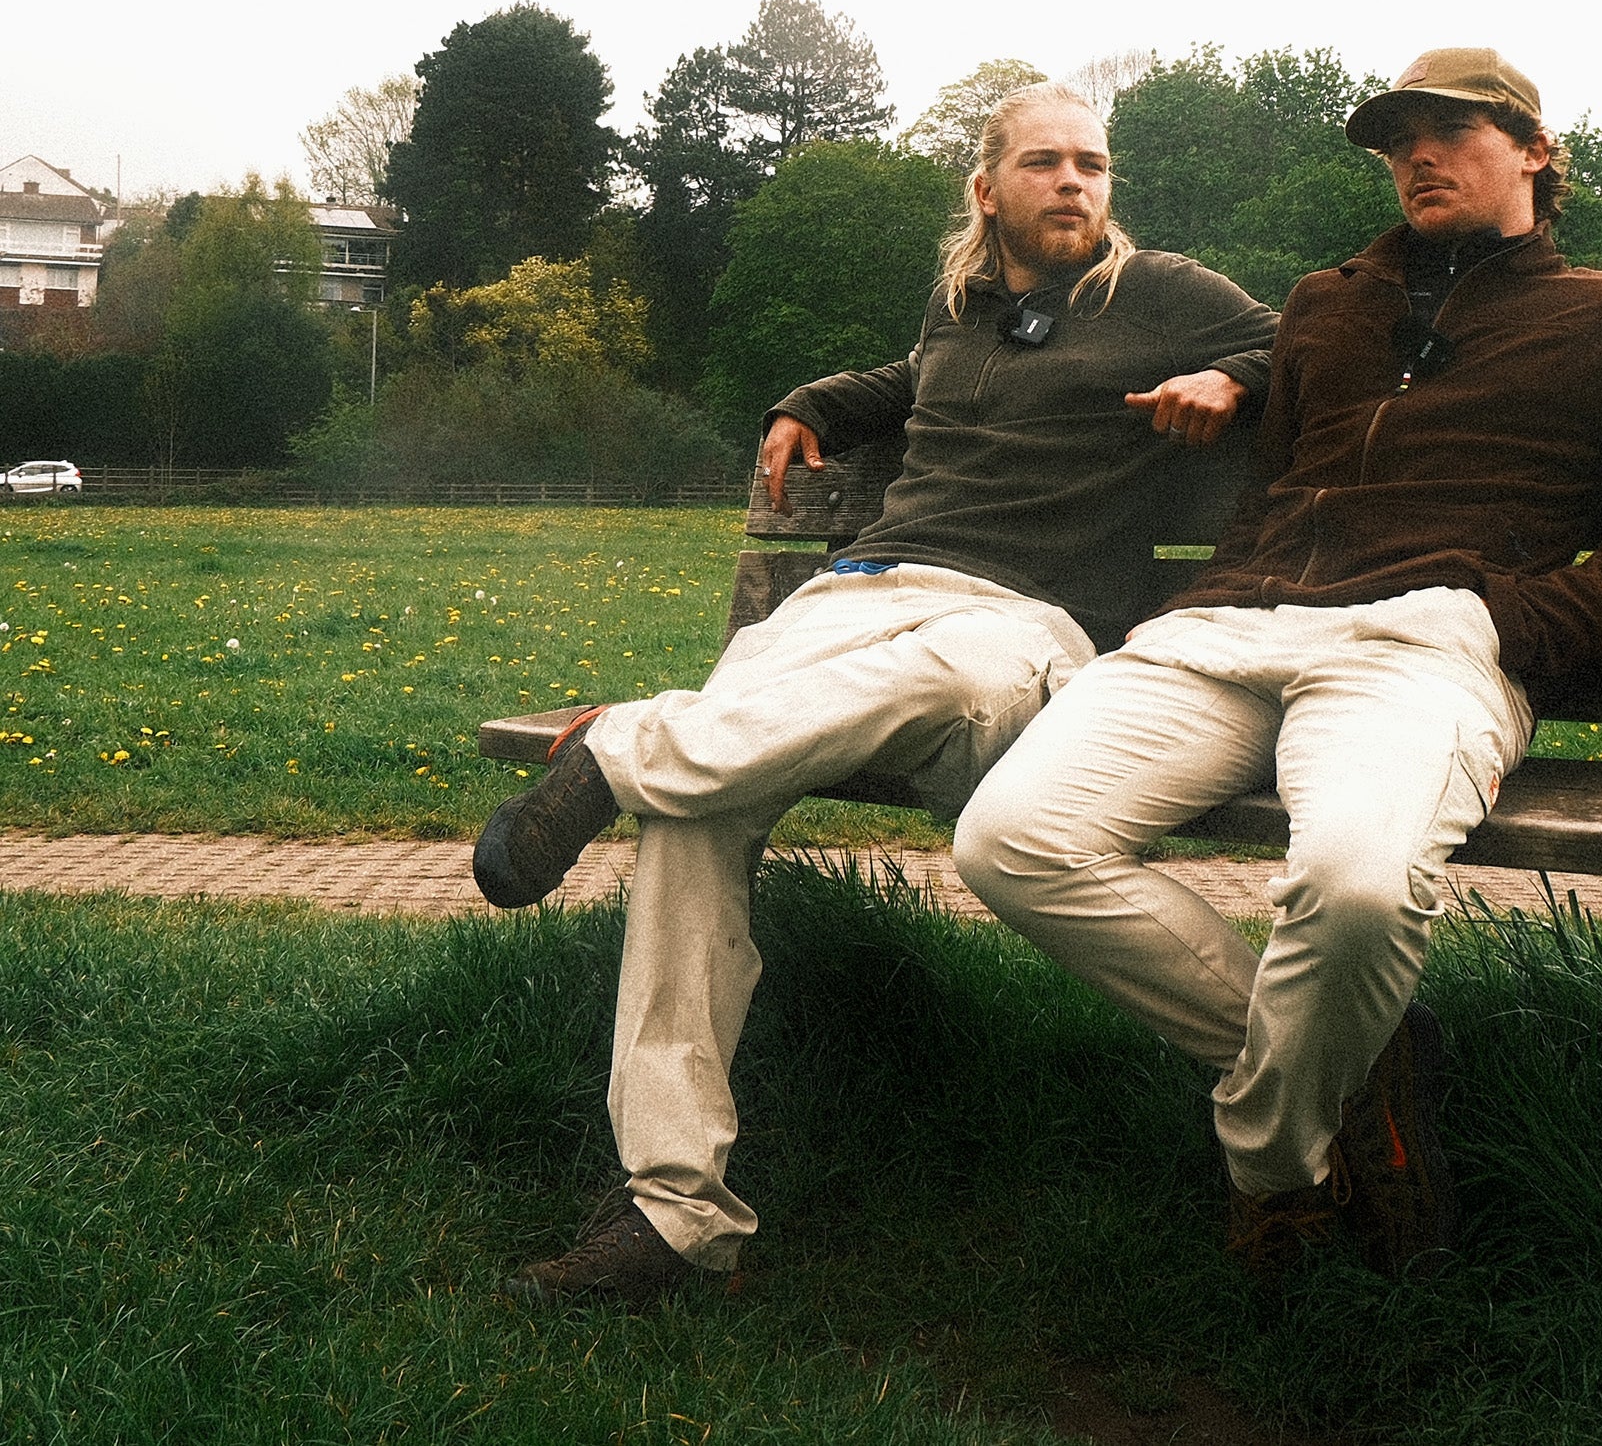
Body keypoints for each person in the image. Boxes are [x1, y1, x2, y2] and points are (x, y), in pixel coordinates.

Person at [472, 82, 1276, 1302]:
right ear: (987, 189)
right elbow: (917, 379)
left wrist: (1236, 380)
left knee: (910, 681)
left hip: (1018, 628)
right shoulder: (959, 306)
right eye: (1045, 162)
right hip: (852, 598)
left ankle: (622, 746)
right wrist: (808, 403)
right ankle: (672, 1211)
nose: (1074, 182)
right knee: (697, 812)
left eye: (1092, 163)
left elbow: (1311, 346)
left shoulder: (1160, 292)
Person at [953, 50, 1602, 1275]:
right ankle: (1360, 1058)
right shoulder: (1327, 304)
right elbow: (1270, 487)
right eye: (1397, 138)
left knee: (1357, 890)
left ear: (1535, 150)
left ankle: (1274, 1170)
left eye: (1451, 131)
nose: (1416, 154)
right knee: (1010, 841)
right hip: (1227, 631)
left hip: (1422, 645)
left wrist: (1510, 624)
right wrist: (1212, 585)